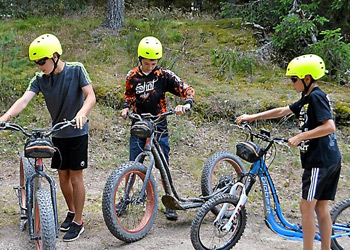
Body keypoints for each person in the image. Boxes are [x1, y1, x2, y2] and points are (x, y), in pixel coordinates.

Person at [236, 54, 341, 250]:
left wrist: (301, 136)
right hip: (329, 158)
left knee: (306, 207)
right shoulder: (308, 97)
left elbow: (329, 127)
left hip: (320, 160)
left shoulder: (316, 97)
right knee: (320, 207)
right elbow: (282, 111)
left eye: (294, 79)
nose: (292, 83)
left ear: (307, 79)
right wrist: (253, 117)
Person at [0, 34, 96, 242]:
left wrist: (82, 113)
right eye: (36, 63)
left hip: (77, 132)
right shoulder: (40, 79)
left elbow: (90, 96)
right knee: (62, 176)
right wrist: (5, 117)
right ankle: (71, 211)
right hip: (58, 133)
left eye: (42, 62)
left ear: (54, 56)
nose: (39, 66)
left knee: (75, 176)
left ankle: (79, 221)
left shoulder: (76, 69)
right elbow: (24, 100)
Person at [120, 36, 195, 221]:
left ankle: (170, 203)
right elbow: (128, 95)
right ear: (140, 60)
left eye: (153, 63)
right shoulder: (132, 76)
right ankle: (125, 199)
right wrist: (125, 108)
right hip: (139, 124)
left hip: (159, 124)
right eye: (146, 63)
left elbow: (188, 89)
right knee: (133, 164)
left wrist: (186, 104)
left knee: (163, 165)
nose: (150, 67)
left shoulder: (164, 75)